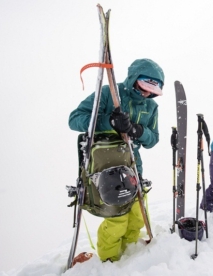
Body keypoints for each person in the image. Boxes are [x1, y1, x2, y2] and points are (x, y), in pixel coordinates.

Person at [68, 58, 165, 262]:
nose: (146, 94)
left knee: (138, 217)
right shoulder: (108, 93)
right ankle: (110, 261)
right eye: (143, 87)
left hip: (133, 167)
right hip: (107, 169)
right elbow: (75, 119)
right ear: (133, 79)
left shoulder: (151, 107)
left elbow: (153, 139)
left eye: (152, 91)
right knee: (117, 221)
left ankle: (129, 253)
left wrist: (137, 130)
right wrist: (109, 122)